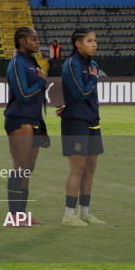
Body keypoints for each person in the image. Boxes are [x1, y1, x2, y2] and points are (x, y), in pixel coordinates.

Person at [58, 29, 105, 227]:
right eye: (89, 41)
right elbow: (80, 93)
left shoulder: (92, 64)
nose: (94, 44)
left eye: (95, 40)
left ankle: (84, 213)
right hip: (76, 122)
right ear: (78, 44)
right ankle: (68, 215)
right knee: (77, 168)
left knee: (90, 169)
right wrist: (93, 79)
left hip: (93, 120)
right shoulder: (71, 64)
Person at [4, 28, 49, 226]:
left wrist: (43, 127)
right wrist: (40, 81)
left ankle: (21, 214)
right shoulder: (17, 63)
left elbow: (37, 100)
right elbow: (23, 94)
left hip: (33, 121)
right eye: (34, 39)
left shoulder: (31, 62)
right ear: (22, 41)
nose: (38, 42)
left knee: (28, 169)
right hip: (19, 119)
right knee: (20, 167)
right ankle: (13, 216)